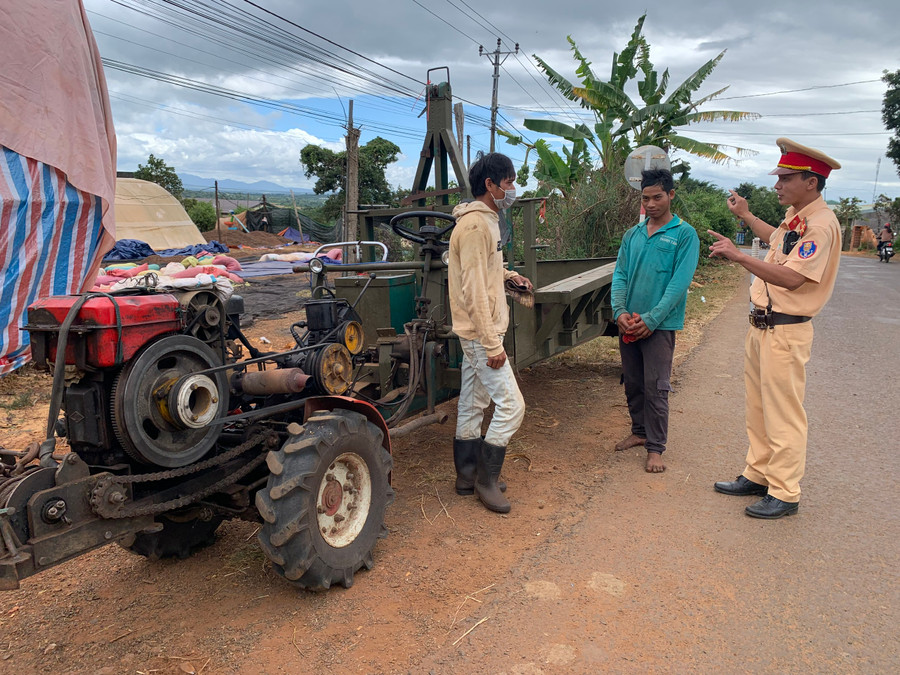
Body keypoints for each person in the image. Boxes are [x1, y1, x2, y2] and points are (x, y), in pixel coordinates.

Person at [709, 137, 842, 519]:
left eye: (785, 178)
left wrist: (738, 257)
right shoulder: (797, 218)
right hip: (763, 327)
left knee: (783, 412)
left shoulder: (820, 225)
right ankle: (760, 473)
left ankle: (785, 492)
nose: (777, 185)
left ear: (811, 181)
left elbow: (792, 279)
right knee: (759, 407)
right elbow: (779, 241)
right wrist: (747, 217)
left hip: (786, 330)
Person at [448, 152, 533, 514]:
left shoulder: (487, 221)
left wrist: (510, 277)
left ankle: (467, 476)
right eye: (509, 182)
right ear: (490, 185)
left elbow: (486, 270)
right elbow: (472, 289)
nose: (512, 189)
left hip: (478, 333)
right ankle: (486, 479)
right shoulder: (474, 227)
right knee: (513, 407)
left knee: (472, 403)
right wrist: (491, 344)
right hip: (481, 335)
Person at [611, 168, 700, 473]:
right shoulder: (632, 235)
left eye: (657, 197)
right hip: (630, 323)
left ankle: (656, 447)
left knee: (656, 386)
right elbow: (620, 275)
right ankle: (639, 431)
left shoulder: (684, 235)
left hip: (660, 326)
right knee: (633, 382)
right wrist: (619, 312)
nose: (650, 204)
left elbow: (679, 283)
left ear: (671, 195)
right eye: (645, 198)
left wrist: (652, 318)